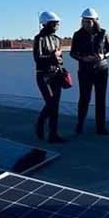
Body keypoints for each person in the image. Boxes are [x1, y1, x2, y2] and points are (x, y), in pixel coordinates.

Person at [70, 8, 109, 135]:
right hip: (85, 71)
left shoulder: (103, 33)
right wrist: (83, 58)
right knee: (84, 98)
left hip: (101, 70)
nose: (86, 24)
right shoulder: (77, 35)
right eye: (84, 21)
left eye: (89, 21)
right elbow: (72, 53)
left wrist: (103, 56)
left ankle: (101, 127)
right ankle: (80, 125)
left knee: (101, 99)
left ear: (95, 21)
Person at [33, 11, 68, 144]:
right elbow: (38, 58)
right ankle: (40, 123)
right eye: (55, 23)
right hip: (43, 75)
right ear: (47, 24)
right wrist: (53, 57)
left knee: (55, 105)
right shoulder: (39, 39)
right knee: (51, 103)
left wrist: (58, 60)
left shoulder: (57, 39)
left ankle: (53, 134)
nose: (57, 26)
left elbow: (60, 59)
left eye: (58, 23)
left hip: (56, 75)